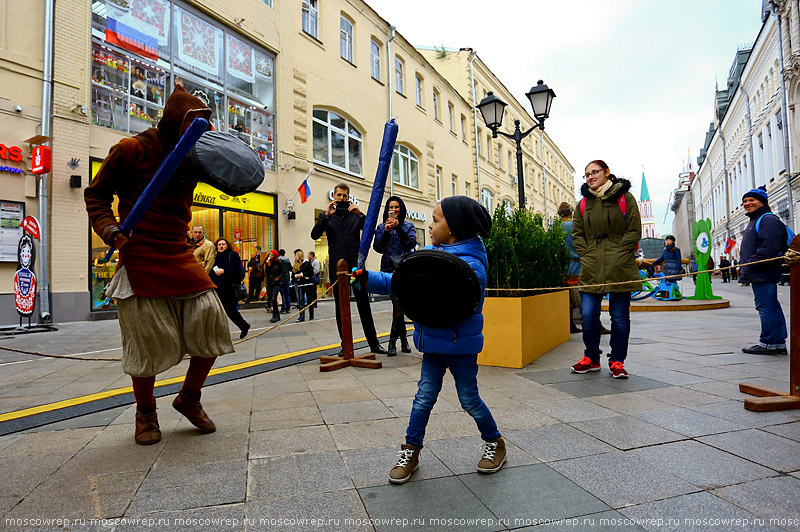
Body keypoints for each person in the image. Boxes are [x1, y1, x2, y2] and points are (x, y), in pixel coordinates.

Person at [84, 85, 234, 445]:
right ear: (173, 121)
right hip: (139, 254)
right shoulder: (130, 149)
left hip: (179, 253)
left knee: (212, 324)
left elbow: (231, 176)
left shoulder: (194, 156)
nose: (200, 130)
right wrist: (108, 228)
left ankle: (189, 398)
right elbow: (96, 195)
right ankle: (145, 412)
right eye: (194, 123)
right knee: (147, 342)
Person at [354, 196, 505, 483]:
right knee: (423, 398)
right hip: (434, 344)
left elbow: (443, 291)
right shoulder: (430, 254)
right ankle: (411, 449)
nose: (431, 225)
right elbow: (398, 279)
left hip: (461, 345)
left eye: (436, 221)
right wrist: (367, 278)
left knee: (469, 399)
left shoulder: (472, 266)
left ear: (454, 228)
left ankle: (495, 442)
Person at [571, 160, 642, 379]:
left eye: (595, 172)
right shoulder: (583, 204)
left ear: (607, 173)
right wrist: (587, 254)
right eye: (587, 174)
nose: (590, 177)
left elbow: (633, 230)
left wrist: (619, 253)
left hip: (620, 265)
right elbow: (578, 234)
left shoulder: (625, 198)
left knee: (619, 317)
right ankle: (591, 357)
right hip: (592, 266)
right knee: (589, 315)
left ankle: (617, 361)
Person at [310, 183, 386, 354]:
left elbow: (370, 231)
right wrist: (325, 217)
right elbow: (314, 235)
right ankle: (345, 346)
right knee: (340, 306)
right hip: (337, 268)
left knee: (363, 305)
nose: (342, 198)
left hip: (356, 267)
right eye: (339, 195)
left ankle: (374, 344)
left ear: (349, 197)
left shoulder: (355, 217)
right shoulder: (327, 217)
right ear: (334, 196)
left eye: (345, 195)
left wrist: (360, 214)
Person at [738, 186, 788, 355]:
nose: (747, 203)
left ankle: (768, 342)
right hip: (759, 270)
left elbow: (769, 248)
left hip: (763, 270)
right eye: (745, 201)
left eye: (751, 200)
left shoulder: (767, 220)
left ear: (762, 202)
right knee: (770, 305)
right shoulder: (756, 220)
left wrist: (750, 264)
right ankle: (777, 342)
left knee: (765, 306)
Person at [373, 195, 417, 355]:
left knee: (398, 305)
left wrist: (398, 227)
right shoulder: (380, 227)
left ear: (401, 209)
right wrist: (386, 232)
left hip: (403, 268)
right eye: (390, 207)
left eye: (396, 207)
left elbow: (411, 244)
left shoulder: (408, 225)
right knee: (398, 305)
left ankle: (395, 341)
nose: (393, 210)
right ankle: (401, 341)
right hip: (387, 269)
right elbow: (378, 248)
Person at [211, 238, 250, 339]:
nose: (221, 246)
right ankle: (219, 333)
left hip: (229, 288)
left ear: (227, 245)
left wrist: (224, 271)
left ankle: (244, 326)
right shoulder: (215, 257)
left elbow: (237, 271)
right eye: (219, 244)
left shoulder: (232, 255)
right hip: (217, 288)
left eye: (223, 244)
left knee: (230, 311)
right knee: (218, 312)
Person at [559, 202, 582, 334]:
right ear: (571, 213)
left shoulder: (555, 227)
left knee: (567, 299)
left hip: (563, 267)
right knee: (580, 298)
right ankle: (595, 324)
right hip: (576, 265)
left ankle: (570, 325)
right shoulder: (572, 226)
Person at [294, 250, 317, 322]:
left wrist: (302, 275)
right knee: (301, 301)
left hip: (308, 284)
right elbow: (294, 274)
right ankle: (301, 316)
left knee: (309, 300)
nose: (295, 257)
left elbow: (311, 273)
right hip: (301, 284)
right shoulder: (296, 265)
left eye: (296, 256)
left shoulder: (307, 263)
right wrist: (295, 276)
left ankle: (311, 315)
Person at [263, 249, 283, 323]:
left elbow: (283, 272)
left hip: (276, 283)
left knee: (274, 299)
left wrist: (278, 277)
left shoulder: (278, 263)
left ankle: (274, 315)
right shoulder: (268, 263)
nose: (270, 256)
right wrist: (267, 265)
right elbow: (266, 272)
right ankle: (276, 314)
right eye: (269, 255)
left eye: (271, 255)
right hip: (269, 283)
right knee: (271, 299)